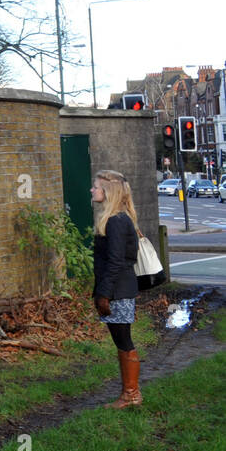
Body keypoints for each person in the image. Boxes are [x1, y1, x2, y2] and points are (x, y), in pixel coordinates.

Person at [91, 169, 141, 408]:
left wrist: (104, 294)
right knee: (122, 341)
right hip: (118, 289)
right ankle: (129, 393)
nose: (92, 190)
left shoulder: (116, 221)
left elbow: (116, 261)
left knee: (124, 341)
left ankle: (131, 395)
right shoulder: (118, 219)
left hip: (118, 291)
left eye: (96, 187)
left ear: (108, 191)